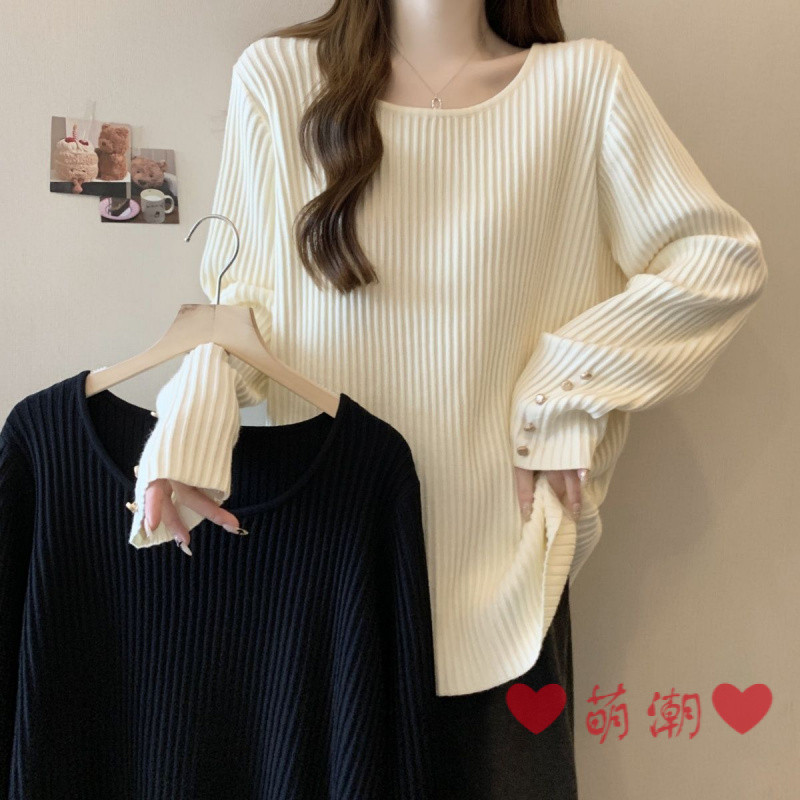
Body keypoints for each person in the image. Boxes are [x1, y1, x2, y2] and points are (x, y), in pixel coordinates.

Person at [124, 1, 768, 797]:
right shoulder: (280, 78)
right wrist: (188, 423)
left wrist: (561, 395)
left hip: (507, 570)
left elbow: (720, 259)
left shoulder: (584, 86)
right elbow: (242, 305)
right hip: (325, 573)